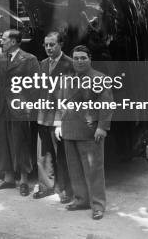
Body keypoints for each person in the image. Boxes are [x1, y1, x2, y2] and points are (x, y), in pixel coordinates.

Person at [61, 45, 113, 220]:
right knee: (74, 169)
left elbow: (106, 104)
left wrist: (102, 127)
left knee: (93, 170)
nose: (79, 61)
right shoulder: (68, 79)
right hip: (69, 128)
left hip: (90, 131)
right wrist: (59, 125)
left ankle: (98, 205)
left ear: (90, 59)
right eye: (76, 58)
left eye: (83, 57)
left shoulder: (99, 78)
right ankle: (81, 199)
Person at [0, 29, 39, 197]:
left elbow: (35, 85)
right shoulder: (0, 58)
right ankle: (8, 178)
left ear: (14, 42)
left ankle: (24, 180)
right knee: (3, 142)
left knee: (21, 143)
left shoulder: (29, 59)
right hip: (2, 106)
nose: (1, 42)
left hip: (20, 107)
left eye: (3, 39)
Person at [34, 32, 74, 202]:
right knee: (43, 155)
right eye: (46, 45)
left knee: (62, 156)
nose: (48, 48)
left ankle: (64, 190)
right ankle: (46, 187)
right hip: (43, 116)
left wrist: (60, 122)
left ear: (60, 45)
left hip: (59, 119)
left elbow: (69, 96)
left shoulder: (70, 65)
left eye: (52, 44)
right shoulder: (42, 64)